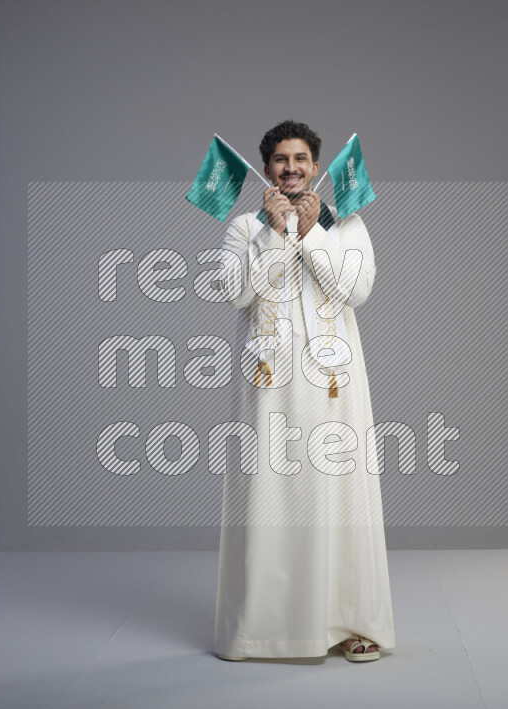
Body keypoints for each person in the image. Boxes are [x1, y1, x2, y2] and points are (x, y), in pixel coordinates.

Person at [213, 120, 395, 661]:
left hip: (333, 386)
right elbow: (234, 291)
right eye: (280, 160)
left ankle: (349, 623)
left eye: (300, 159)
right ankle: (262, 629)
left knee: (339, 499)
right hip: (268, 384)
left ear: (316, 167)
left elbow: (353, 290)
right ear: (266, 168)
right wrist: (275, 232)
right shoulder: (245, 227)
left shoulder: (347, 224)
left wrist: (312, 232)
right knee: (267, 498)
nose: (290, 168)